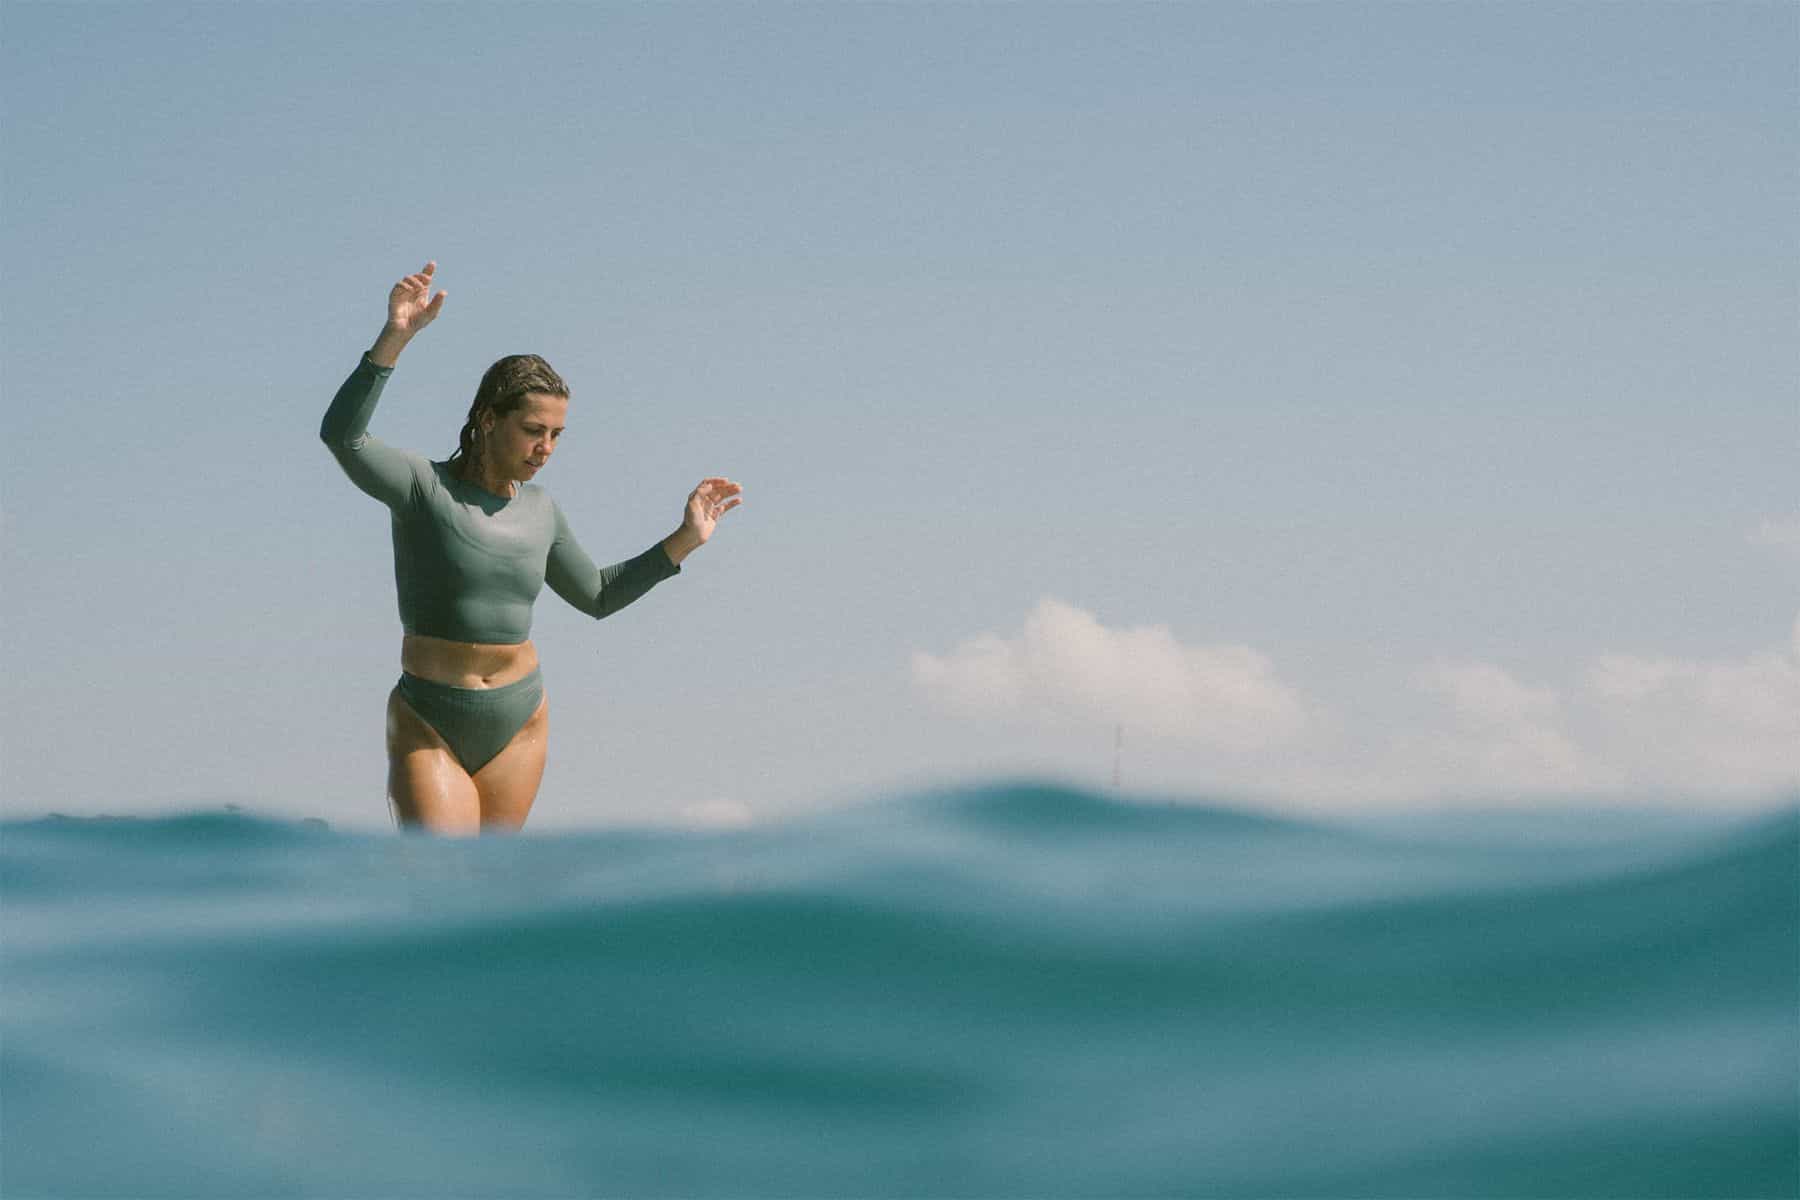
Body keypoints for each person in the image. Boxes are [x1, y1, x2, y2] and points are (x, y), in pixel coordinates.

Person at [320, 261, 742, 834]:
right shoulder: (423, 487)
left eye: (556, 435)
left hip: (520, 720)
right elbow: (343, 437)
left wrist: (686, 538)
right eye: (533, 430)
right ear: (490, 420)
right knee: (442, 878)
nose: (546, 447)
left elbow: (596, 594)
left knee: (492, 898)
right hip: (430, 719)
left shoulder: (541, 509)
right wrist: (396, 336)